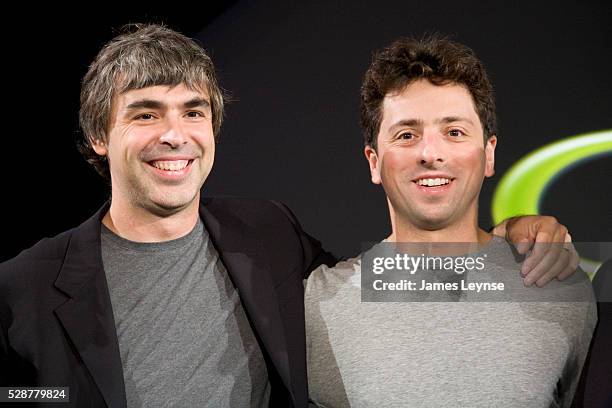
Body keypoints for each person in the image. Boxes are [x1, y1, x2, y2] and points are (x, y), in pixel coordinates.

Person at [0, 24, 580, 408]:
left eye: (193, 111)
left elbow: (421, 272)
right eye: (146, 115)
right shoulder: (23, 285)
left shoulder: (270, 239)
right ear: (100, 135)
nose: (174, 135)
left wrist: (518, 233)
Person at [305, 36, 597, 407]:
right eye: (407, 135)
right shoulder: (316, 306)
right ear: (374, 162)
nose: (430, 153)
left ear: (488, 155)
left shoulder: (560, 287)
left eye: (454, 132)